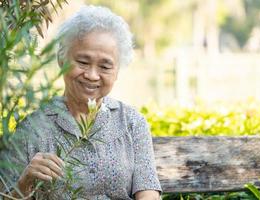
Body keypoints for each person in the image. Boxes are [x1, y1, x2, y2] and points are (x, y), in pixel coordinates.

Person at [0, 5, 162, 200]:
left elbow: (148, 193)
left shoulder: (132, 123)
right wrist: (25, 181)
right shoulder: (31, 130)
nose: (92, 75)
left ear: (117, 70)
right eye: (83, 62)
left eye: (105, 66)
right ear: (62, 59)